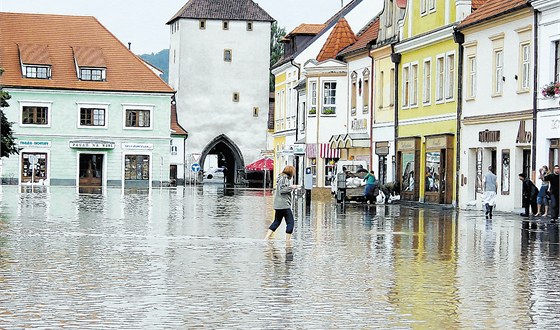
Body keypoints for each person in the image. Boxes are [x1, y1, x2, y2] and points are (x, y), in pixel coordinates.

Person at [265, 165, 299, 241]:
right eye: (293, 172)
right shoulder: (285, 178)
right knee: (290, 223)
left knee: (276, 222)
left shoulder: (280, 178)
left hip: (278, 205)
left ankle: (266, 238)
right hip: (284, 205)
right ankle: (288, 241)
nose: (293, 173)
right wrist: (292, 187)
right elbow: (282, 190)